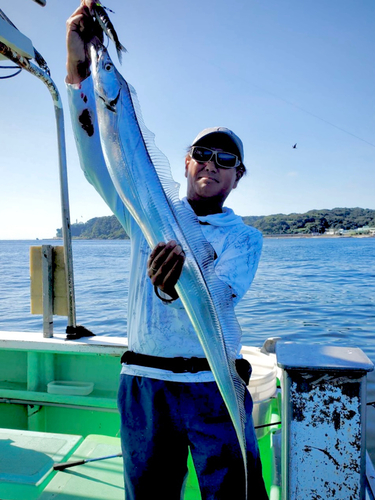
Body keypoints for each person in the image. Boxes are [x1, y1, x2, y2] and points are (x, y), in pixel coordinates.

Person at [66, 2, 267, 499]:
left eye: (225, 159)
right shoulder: (144, 211)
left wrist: (175, 287)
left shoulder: (245, 238)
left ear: (237, 177)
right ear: (185, 162)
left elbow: (220, 295)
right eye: (202, 153)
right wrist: (79, 67)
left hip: (213, 387)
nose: (211, 164)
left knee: (236, 492)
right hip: (144, 385)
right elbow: (97, 160)